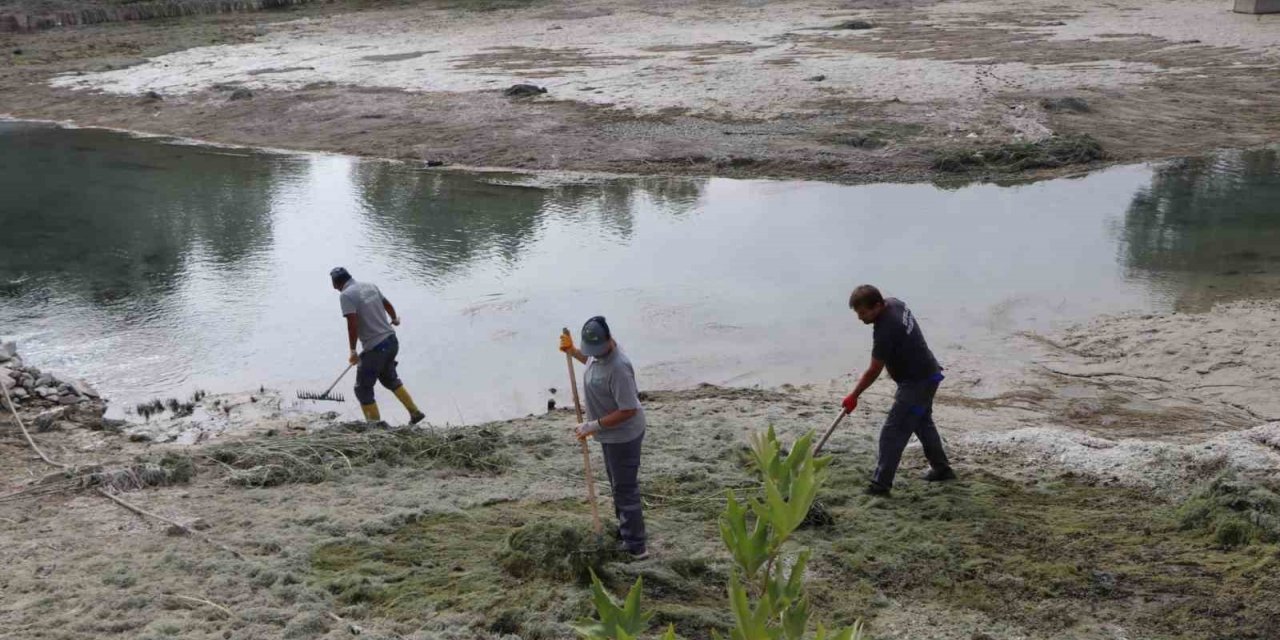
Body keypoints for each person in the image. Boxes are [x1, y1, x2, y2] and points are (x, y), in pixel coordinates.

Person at [843, 284, 955, 496]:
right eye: (857, 313)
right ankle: (941, 469)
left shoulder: (886, 328)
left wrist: (854, 395)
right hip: (930, 373)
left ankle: (880, 485)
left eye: (863, 313)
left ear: (877, 305)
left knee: (892, 432)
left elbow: (874, 370)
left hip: (917, 383)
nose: (860, 318)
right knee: (922, 422)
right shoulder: (895, 303)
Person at [560, 316, 648, 560]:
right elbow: (590, 361)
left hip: (624, 436)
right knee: (617, 485)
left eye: (598, 349)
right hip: (608, 435)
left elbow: (628, 409)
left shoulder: (619, 367)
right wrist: (573, 351)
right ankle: (625, 529)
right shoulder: (598, 356)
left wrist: (593, 426)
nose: (594, 354)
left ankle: (636, 546)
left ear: (610, 340)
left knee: (625, 489)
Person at [330, 267, 425, 426]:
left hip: (376, 348)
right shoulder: (370, 286)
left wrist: (353, 351)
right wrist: (394, 318)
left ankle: (375, 429)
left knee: (362, 389)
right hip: (391, 341)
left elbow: (352, 324)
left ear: (336, 284)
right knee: (389, 379)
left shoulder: (346, 295)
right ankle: (415, 413)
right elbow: (386, 303)